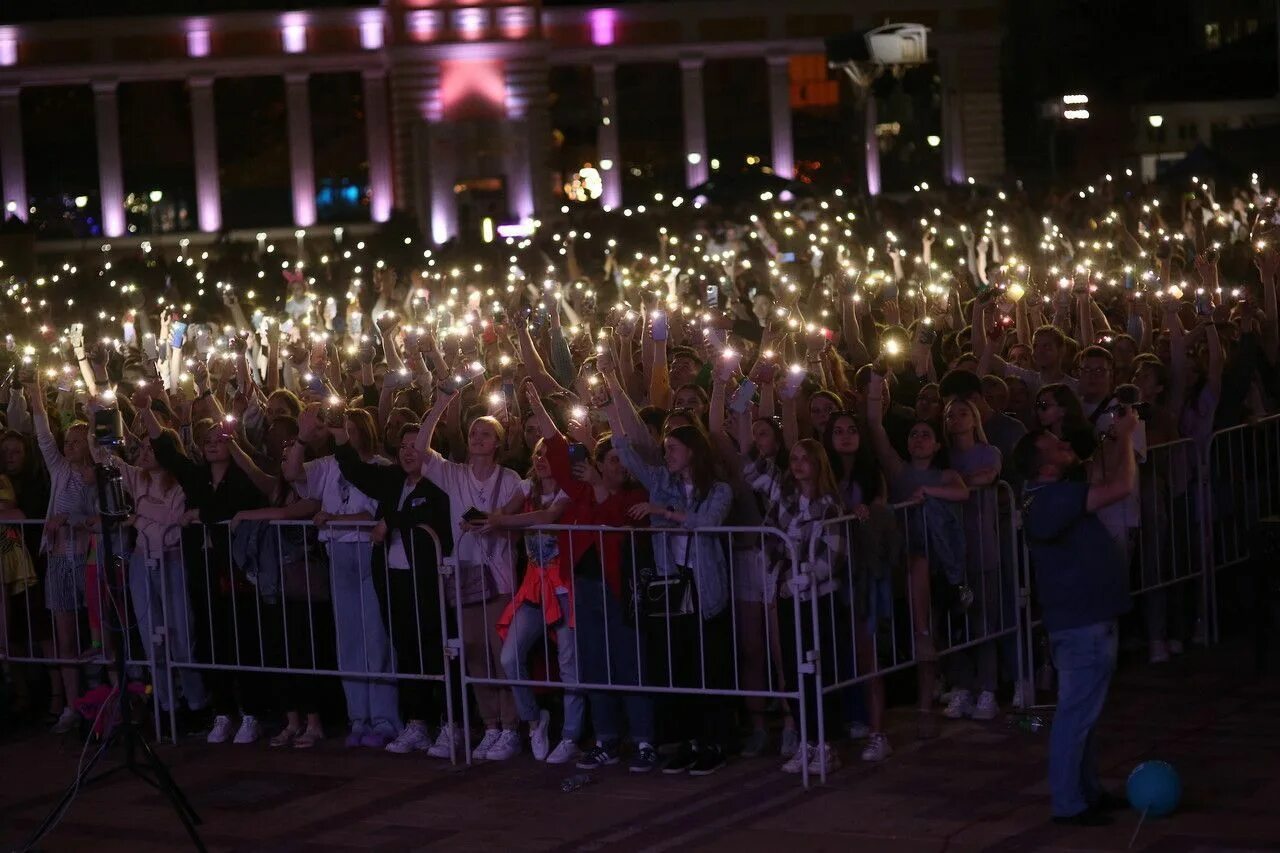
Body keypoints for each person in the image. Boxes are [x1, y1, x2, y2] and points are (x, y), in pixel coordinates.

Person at [1013, 406, 1140, 827]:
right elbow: (1120, 485)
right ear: (1044, 463)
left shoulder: (1050, 497)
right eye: (1056, 444)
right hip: (1082, 624)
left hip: (1084, 620)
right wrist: (1126, 436)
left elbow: (1098, 474)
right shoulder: (1051, 500)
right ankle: (1069, 802)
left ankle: (1087, 791)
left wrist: (1109, 437)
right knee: (1074, 717)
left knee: (1084, 715)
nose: (1065, 443)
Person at [330, 420, 459, 759]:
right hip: (394, 578)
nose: (407, 452)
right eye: (402, 446)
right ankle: (417, 722)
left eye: (415, 446)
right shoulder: (392, 481)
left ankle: (451, 723)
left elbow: (432, 515)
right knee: (406, 650)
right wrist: (341, 435)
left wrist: (393, 521)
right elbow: (358, 472)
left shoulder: (441, 485)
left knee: (434, 650)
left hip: (428, 582)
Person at [616, 423, 734, 776]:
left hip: (705, 587)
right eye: (665, 448)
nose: (666, 454)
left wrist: (664, 512)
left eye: (673, 448)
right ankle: (688, 741)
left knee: (708, 667)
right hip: (673, 588)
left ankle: (714, 742)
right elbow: (629, 456)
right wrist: (606, 404)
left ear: (692, 452)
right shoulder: (661, 482)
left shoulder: (718, 489)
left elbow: (709, 522)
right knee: (678, 667)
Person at [415, 384, 524, 760]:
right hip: (464, 574)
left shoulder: (509, 478)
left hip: (501, 575)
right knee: (475, 653)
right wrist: (442, 402)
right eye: (474, 432)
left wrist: (496, 521)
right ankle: (490, 724)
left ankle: (511, 726)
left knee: (501, 653)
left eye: (486, 434)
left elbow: (516, 512)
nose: (478, 438)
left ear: (498, 442)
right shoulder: (453, 473)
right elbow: (420, 449)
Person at [285, 404, 401, 749]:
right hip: (338, 554)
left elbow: (371, 512)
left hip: (369, 553)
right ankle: (358, 717)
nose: (343, 436)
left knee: (375, 638)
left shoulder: (380, 468)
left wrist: (332, 518)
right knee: (348, 639)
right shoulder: (327, 465)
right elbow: (292, 473)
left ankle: (384, 719)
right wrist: (303, 439)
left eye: (349, 430)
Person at [745, 438, 846, 775]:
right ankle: (806, 739)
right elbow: (770, 533)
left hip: (818, 596)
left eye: (806, 459)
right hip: (788, 594)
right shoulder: (785, 501)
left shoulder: (830, 504)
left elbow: (830, 555)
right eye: (795, 458)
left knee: (820, 668)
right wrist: (778, 578)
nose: (799, 464)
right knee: (792, 667)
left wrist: (800, 580)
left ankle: (825, 743)